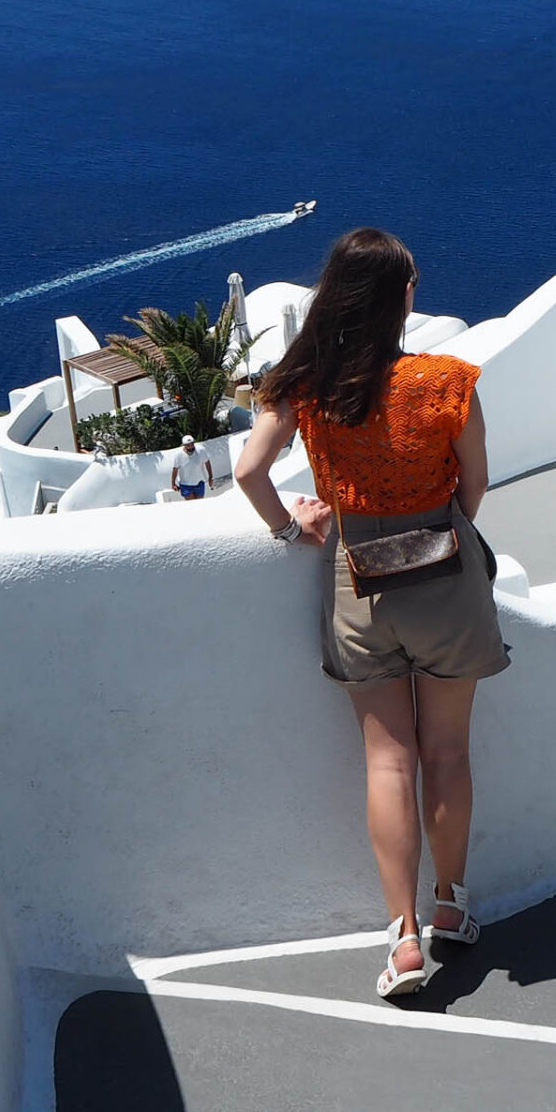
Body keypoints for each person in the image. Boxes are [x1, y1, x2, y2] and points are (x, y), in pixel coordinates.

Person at [235, 227, 507, 1000]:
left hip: (360, 583)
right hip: (447, 578)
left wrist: (292, 528)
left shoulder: (311, 384)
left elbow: (251, 471)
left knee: (389, 760)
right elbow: (476, 487)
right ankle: (451, 908)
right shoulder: (447, 382)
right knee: (447, 753)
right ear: (402, 297)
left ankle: (406, 940)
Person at [172, 434, 214, 500]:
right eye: (188, 445)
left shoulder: (201, 450)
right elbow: (175, 469)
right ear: (184, 445)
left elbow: (207, 462)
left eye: (192, 444)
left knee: (199, 503)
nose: (191, 447)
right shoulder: (178, 455)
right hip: (185, 484)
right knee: (191, 504)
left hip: (199, 482)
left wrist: (210, 477)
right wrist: (173, 484)